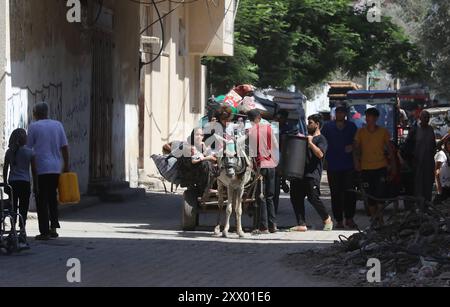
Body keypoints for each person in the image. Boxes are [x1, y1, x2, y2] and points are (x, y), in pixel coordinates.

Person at [27, 102, 69, 241]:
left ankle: (44, 231)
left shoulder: (34, 127)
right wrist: (66, 165)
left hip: (41, 168)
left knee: (41, 199)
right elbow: (64, 147)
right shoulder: (58, 125)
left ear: (36, 113)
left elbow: (28, 148)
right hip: (55, 167)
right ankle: (53, 228)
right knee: (52, 198)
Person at [290, 114, 333, 232]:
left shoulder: (321, 139)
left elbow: (320, 154)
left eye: (310, 123)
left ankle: (327, 219)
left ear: (317, 125)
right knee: (295, 197)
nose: (308, 125)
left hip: (312, 174)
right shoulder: (306, 138)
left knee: (313, 198)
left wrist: (311, 143)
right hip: (299, 174)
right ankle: (301, 224)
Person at [354, 108, 396, 224]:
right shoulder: (360, 132)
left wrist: (393, 167)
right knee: (370, 196)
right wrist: (356, 162)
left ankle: (381, 218)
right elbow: (356, 149)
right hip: (366, 168)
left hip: (381, 167)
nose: (368, 119)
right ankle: (374, 218)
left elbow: (390, 150)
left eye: (371, 117)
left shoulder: (383, 132)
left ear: (376, 118)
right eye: (367, 117)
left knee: (380, 195)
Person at [322, 105, 358, 229]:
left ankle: (350, 218)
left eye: (342, 112)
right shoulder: (328, 127)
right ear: (335, 114)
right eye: (338, 112)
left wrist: (352, 147)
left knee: (350, 193)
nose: (340, 115)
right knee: (336, 194)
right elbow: (323, 143)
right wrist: (324, 160)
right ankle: (339, 220)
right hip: (333, 165)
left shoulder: (352, 126)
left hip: (348, 165)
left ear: (345, 114)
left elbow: (357, 141)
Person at [248, 110, 279, 234]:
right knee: (270, 196)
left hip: (260, 168)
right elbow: (276, 145)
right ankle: (273, 225)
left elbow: (251, 151)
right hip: (271, 166)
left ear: (249, 120)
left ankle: (263, 227)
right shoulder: (268, 128)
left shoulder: (250, 132)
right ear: (259, 117)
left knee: (261, 197)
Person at [2, 128, 35, 245]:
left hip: (12, 183)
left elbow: (5, 168)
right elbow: (34, 171)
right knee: (23, 207)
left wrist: (5, 182)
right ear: (22, 139)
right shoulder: (30, 152)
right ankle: (22, 229)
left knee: (13, 207)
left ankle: (12, 228)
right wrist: (35, 184)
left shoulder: (9, 152)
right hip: (24, 183)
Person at [405, 110, 436, 202]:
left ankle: (427, 205)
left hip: (428, 163)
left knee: (428, 185)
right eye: (424, 117)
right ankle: (419, 206)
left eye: (427, 118)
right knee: (418, 186)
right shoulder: (414, 130)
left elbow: (433, 146)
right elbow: (407, 146)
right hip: (417, 164)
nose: (426, 119)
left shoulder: (430, 129)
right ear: (420, 118)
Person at [274, 110, 293, 213]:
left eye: (280, 118)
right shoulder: (272, 126)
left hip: (282, 153)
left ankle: (283, 180)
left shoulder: (288, 129)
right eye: (278, 117)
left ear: (285, 119)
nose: (278, 119)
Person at [434, 136, 450, 204]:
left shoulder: (448, 154)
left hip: (448, 185)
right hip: (443, 187)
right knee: (437, 205)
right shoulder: (441, 154)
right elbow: (436, 172)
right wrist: (439, 189)